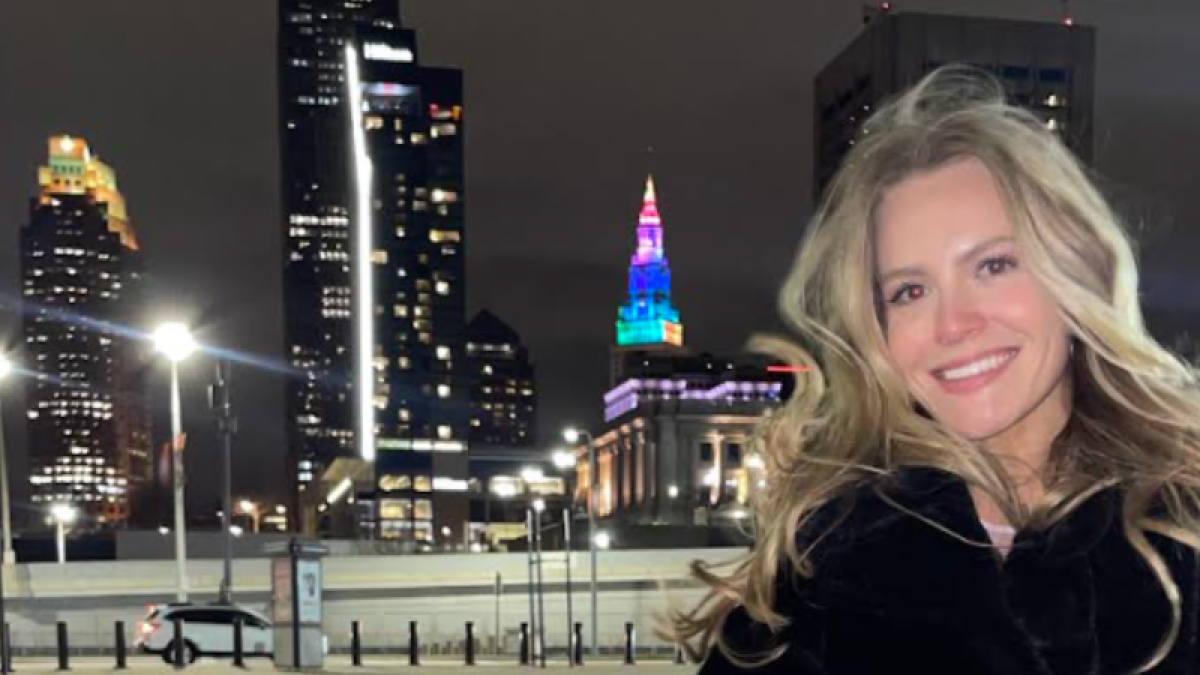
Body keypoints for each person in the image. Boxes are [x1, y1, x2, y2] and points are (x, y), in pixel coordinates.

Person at [670, 65, 1200, 674]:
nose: (953, 325)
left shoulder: (1181, 531)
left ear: (1079, 273)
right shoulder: (823, 570)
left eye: (994, 265)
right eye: (909, 292)